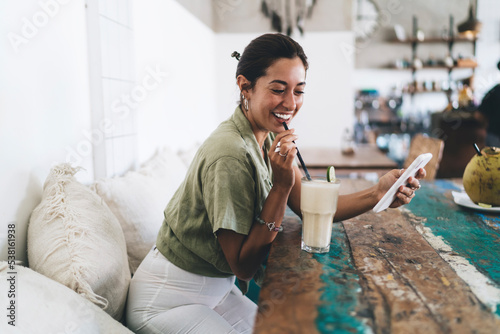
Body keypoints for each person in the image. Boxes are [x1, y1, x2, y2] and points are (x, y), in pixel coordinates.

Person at [126, 33, 425, 334]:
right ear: (245, 86)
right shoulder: (229, 154)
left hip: (214, 291)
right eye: (279, 90)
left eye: (299, 91)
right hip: (166, 303)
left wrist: (378, 192)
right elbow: (244, 267)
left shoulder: (267, 134)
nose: (291, 103)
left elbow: (310, 206)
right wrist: (280, 187)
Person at [476, 60, 500, 147]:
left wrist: (485, 125)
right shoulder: (494, 92)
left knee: (492, 160)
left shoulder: (494, 91)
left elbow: (478, 115)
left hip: (494, 135)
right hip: (495, 137)